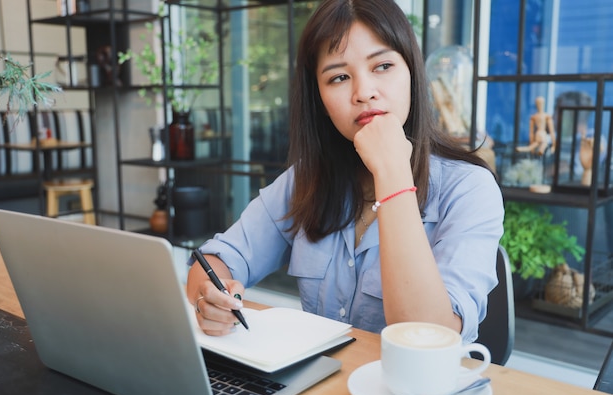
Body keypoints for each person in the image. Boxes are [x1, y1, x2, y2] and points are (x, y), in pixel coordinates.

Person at [187, 0, 504, 343]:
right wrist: (210, 297)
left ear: (412, 72)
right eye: (339, 77)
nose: (364, 92)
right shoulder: (306, 179)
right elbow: (217, 260)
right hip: (323, 388)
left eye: (382, 66)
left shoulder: (470, 188)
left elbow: (426, 338)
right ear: (320, 99)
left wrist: (392, 171)